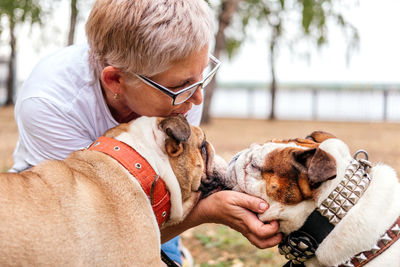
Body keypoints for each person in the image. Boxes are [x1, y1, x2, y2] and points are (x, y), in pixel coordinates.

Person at [11, 0, 282, 265]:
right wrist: (208, 212)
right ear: (115, 80)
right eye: (183, 84)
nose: (198, 97)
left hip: (152, 201)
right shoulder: (51, 104)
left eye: (202, 76)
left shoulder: (183, 93)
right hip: (59, 220)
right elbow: (98, 236)